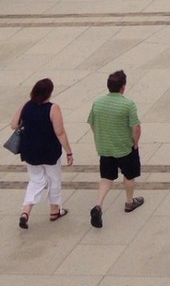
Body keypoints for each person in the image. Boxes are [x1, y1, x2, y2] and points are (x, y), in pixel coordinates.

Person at [12, 78, 73, 228]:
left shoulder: (26, 105)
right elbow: (59, 132)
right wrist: (69, 152)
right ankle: (54, 210)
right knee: (54, 179)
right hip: (49, 151)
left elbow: (14, 125)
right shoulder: (53, 108)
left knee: (35, 180)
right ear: (49, 93)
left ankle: (25, 211)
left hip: (30, 151)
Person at [87, 70, 142, 228]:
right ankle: (129, 202)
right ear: (123, 87)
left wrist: (100, 137)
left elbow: (92, 123)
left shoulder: (98, 103)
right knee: (129, 176)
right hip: (125, 147)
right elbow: (136, 127)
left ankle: (98, 205)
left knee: (106, 178)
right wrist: (135, 142)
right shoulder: (128, 104)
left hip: (105, 148)